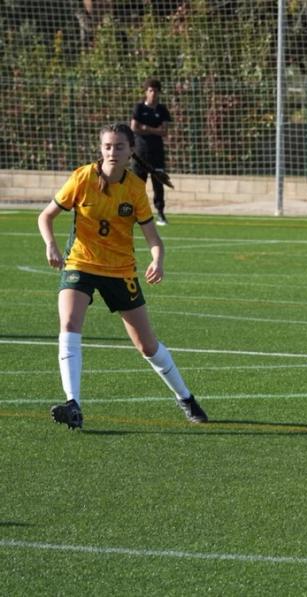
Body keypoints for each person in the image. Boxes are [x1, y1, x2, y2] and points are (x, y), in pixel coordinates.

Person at [37, 123, 207, 429]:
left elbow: (154, 239)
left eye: (118, 147)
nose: (112, 152)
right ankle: (73, 404)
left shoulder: (134, 189)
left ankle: (185, 397)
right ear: (100, 150)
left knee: (147, 346)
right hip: (81, 264)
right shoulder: (82, 177)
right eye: (107, 147)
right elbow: (45, 216)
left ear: (131, 151)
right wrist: (50, 244)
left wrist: (158, 260)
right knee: (69, 323)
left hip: (120, 271)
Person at [130, 78, 173, 225]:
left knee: (158, 183)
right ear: (146, 92)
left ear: (159, 92)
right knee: (137, 184)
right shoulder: (139, 108)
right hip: (140, 153)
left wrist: (146, 128)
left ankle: (160, 213)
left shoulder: (162, 110)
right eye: (150, 90)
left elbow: (164, 131)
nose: (153, 93)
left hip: (157, 153)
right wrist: (154, 130)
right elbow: (134, 127)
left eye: (155, 90)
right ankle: (134, 213)